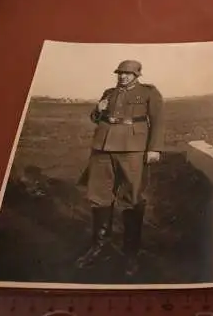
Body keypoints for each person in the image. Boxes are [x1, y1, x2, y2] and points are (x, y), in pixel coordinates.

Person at [75, 59, 165, 276]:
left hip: (133, 149)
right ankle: (100, 246)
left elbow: (158, 121)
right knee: (99, 196)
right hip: (103, 148)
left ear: (137, 75)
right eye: (120, 73)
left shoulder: (148, 93)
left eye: (127, 73)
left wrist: (154, 148)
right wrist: (98, 109)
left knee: (132, 198)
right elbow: (97, 118)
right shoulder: (108, 92)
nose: (122, 76)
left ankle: (131, 253)